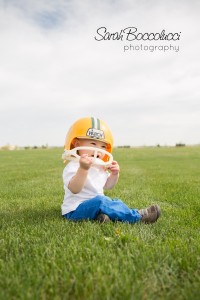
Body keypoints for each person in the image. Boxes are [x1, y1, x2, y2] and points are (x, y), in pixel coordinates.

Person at [61, 117, 161, 224]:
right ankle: (137, 217)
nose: (98, 150)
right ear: (77, 145)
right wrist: (83, 169)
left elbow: (109, 186)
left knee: (113, 201)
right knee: (101, 202)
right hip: (75, 210)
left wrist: (114, 174)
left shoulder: (99, 166)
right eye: (93, 144)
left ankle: (102, 217)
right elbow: (75, 189)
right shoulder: (74, 166)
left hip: (94, 206)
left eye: (103, 146)